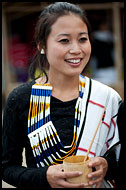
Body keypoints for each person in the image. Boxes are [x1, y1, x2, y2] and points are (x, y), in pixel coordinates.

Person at [2, 2, 122, 188]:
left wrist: (107, 166)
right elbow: (7, 168)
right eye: (64, 40)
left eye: (82, 39)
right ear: (42, 45)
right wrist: (45, 176)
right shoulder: (20, 99)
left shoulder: (108, 99)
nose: (76, 49)